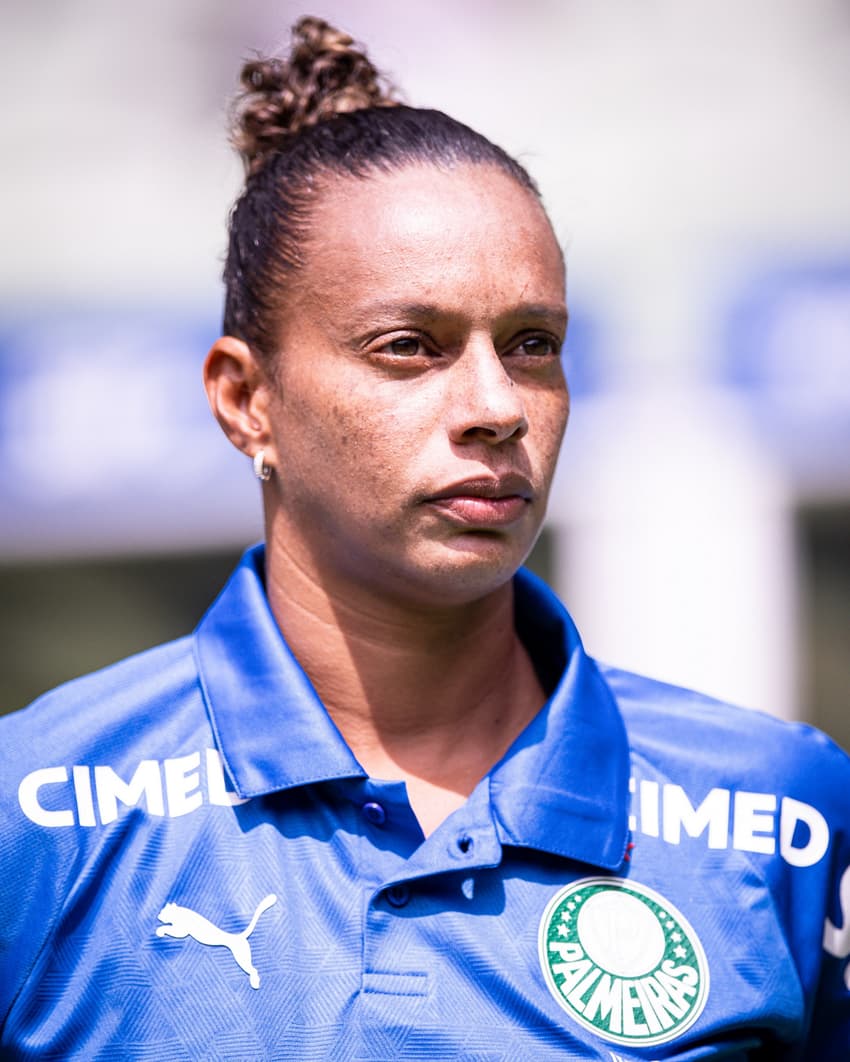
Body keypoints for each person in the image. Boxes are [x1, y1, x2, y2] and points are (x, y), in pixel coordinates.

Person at [1, 16, 848, 1060]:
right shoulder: (35, 813)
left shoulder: (779, 811)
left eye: (532, 345)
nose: (496, 405)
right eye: (411, 347)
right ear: (245, 399)